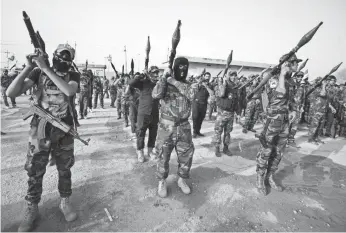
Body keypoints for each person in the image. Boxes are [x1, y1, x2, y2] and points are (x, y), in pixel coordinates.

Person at [6, 44, 79, 231]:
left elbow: (69, 91)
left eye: (67, 58)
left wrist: (46, 68)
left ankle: (65, 201)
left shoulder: (73, 76)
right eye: (60, 56)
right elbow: (11, 93)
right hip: (40, 129)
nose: (63, 60)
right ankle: (32, 207)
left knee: (65, 168)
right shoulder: (38, 73)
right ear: (53, 56)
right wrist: (29, 67)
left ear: (71, 61)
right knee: (34, 169)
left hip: (64, 129)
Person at [151, 57, 199, 198]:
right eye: (179, 67)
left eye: (185, 67)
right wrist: (164, 78)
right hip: (166, 126)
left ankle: (182, 180)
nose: (182, 70)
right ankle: (162, 181)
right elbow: (156, 94)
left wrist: (173, 80)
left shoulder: (190, 85)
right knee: (162, 156)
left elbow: (191, 94)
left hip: (184, 127)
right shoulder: (165, 83)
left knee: (186, 156)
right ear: (174, 67)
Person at [255, 54, 301, 196]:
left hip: (285, 122)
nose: (297, 65)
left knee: (279, 152)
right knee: (266, 151)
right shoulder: (274, 79)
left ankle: (270, 176)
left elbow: (291, 99)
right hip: (273, 121)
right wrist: (281, 75)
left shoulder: (291, 81)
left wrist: (293, 109)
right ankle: (260, 179)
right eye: (294, 63)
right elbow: (279, 96)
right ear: (287, 64)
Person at [129, 67, 160, 162]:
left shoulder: (158, 84)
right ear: (149, 73)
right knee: (140, 133)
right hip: (143, 113)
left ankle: (150, 151)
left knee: (153, 133)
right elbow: (131, 83)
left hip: (154, 113)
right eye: (154, 73)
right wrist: (140, 76)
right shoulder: (143, 82)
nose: (156, 75)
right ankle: (140, 152)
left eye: (157, 73)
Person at [212, 70, 239, 157]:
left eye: (235, 75)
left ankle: (226, 148)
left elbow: (235, 101)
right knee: (218, 132)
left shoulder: (235, 87)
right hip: (222, 113)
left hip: (231, 114)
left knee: (228, 132)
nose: (234, 77)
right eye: (232, 75)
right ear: (228, 76)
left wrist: (237, 112)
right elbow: (222, 94)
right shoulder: (222, 84)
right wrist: (223, 82)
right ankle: (217, 148)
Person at [192, 72, 213, 138]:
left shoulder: (210, 85)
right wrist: (199, 83)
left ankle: (198, 131)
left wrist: (206, 86)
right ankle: (194, 132)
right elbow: (193, 86)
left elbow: (212, 93)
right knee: (195, 117)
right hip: (196, 103)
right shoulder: (199, 83)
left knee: (201, 118)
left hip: (204, 103)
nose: (207, 78)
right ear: (204, 76)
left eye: (209, 76)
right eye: (206, 76)